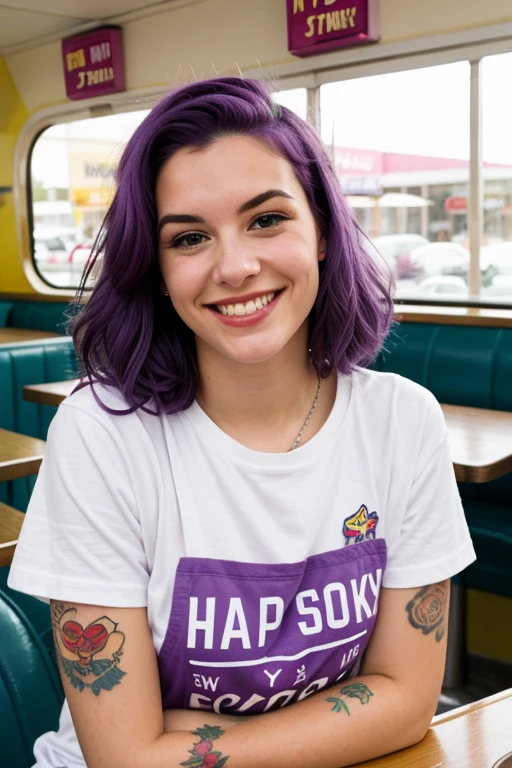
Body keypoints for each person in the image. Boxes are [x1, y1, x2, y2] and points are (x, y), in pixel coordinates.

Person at [9, 77, 475, 768]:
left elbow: (408, 699)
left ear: (320, 230)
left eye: (266, 220)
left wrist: (178, 736)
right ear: (158, 270)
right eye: (191, 237)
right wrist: (349, 719)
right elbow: (125, 759)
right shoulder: (102, 434)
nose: (235, 266)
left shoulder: (402, 421)